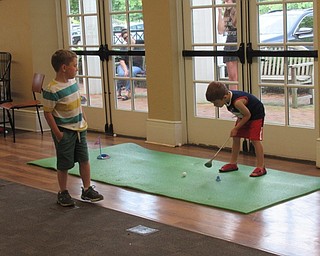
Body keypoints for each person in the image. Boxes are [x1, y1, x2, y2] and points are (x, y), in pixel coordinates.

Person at [42, 49, 104, 206]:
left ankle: (87, 189)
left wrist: (82, 117)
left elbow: (77, 102)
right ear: (64, 67)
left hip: (80, 129)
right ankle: (63, 192)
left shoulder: (73, 83)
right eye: (75, 65)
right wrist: (58, 133)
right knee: (64, 163)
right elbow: (48, 113)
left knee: (84, 159)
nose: (77, 68)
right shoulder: (52, 90)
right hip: (65, 132)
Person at [205, 81, 267, 177]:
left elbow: (248, 115)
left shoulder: (237, 102)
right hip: (243, 116)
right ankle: (233, 163)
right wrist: (237, 128)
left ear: (224, 97)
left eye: (215, 102)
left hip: (255, 116)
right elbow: (243, 114)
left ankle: (261, 167)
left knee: (255, 140)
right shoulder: (226, 98)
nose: (215, 105)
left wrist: (236, 127)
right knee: (236, 137)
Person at [117, 28, 145, 100]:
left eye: (127, 36)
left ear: (130, 35)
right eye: (124, 38)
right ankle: (119, 92)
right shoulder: (124, 47)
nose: (126, 39)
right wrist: (126, 69)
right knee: (120, 73)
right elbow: (121, 60)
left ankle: (128, 92)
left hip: (137, 66)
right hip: (125, 65)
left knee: (131, 71)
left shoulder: (140, 42)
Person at [217, 0, 238, 89]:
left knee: (237, 76)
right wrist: (220, 13)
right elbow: (220, 30)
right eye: (224, 1)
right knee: (231, 77)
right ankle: (234, 97)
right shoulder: (226, 13)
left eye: (227, 0)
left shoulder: (237, 11)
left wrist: (233, 9)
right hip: (229, 43)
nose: (225, 3)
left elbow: (235, 24)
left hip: (237, 42)